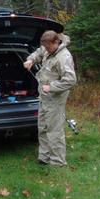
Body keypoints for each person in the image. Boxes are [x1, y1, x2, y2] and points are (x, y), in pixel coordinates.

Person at [23, 30, 77, 167]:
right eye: (45, 47)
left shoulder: (64, 57)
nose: (46, 49)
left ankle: (57, 162)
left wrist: (51, 87)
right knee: (42, 127)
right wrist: (31, 59)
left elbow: (71, 80)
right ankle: (44, 157)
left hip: (55, 99)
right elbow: (39, 52)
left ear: (56, 42)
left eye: (48, 47)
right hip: (44, 97)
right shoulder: (48, 48)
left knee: (54, 130)